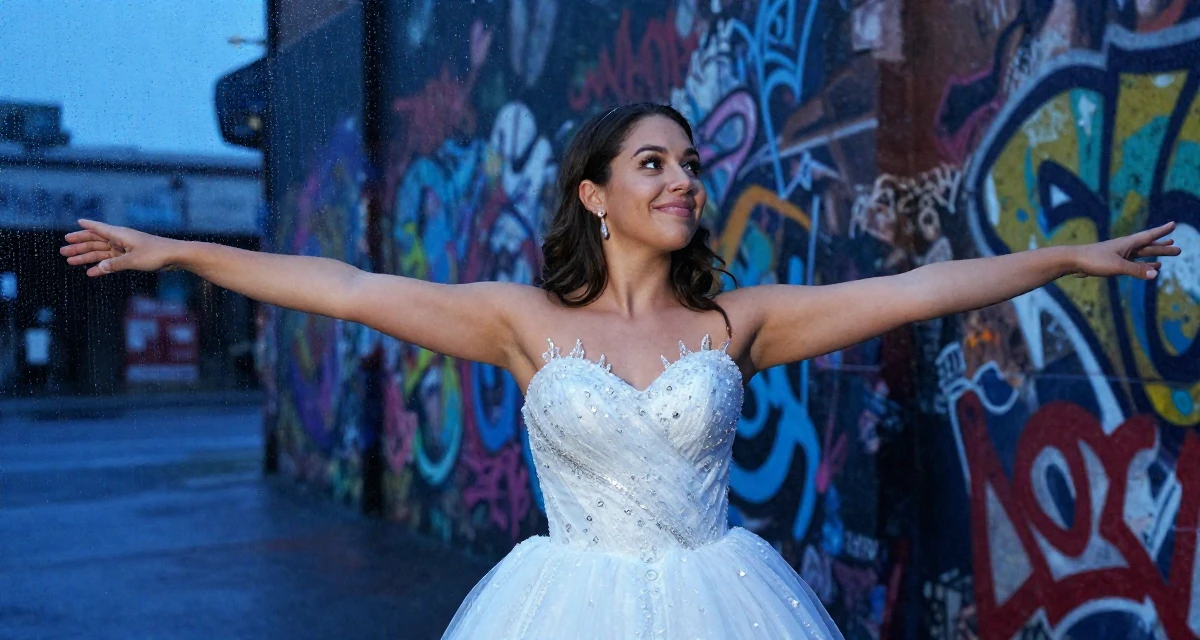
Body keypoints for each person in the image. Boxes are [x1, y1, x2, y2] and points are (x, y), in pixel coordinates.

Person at [60, 102, 1181, 639]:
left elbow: (916, 290)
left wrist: (1063, 257)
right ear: (597, 195)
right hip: (564, 607)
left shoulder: (739, 320)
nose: (684, 180)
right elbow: (346, 287)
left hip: (724, 600)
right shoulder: (523, 320)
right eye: (654, 164)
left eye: (690, 163)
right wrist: (178, 251)